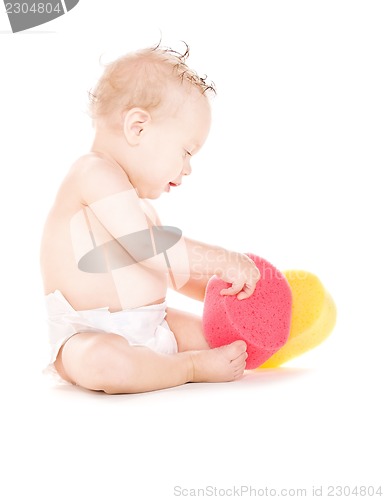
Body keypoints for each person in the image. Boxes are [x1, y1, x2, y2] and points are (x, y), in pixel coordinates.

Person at [40, 45, 260, 394]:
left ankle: (173, 362)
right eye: (186, 152)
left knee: (226, 337)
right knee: (106, 363)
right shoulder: (92, 173)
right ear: (138, 127)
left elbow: (173, 271)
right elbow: (147, 247)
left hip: (155, 325)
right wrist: (222, 258)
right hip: (89, 334)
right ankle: (186, 367)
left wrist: (225, 292)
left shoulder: (141, 209)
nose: (187, 169)